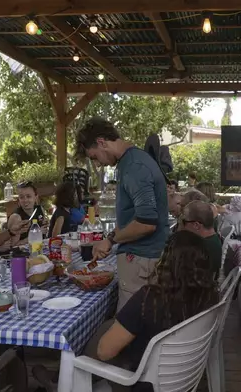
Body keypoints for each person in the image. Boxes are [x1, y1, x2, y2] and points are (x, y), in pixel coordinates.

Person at [33, 231, 219, 392]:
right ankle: (58, 377)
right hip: (183, 375)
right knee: (110, 325)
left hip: (140, 381)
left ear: (166, 261)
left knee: (103, 337)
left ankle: (61, 382)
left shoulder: (150, 298)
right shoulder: (210, 295)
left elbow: (104, 352)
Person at [76, 117, 170, 310]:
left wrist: (110, 241)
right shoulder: (132, 161)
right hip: (142, 258)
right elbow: (132, 216)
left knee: (129, 329)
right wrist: (111, 237)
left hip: (141, 261)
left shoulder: (134, 167)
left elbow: (146, 222)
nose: (97, 164)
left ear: (102, 142)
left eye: (94, 157)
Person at [179, 201, 223, 278]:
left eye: (184, 221)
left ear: (196, 225)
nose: (182, 225)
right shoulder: (214, 239)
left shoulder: (199, 248)